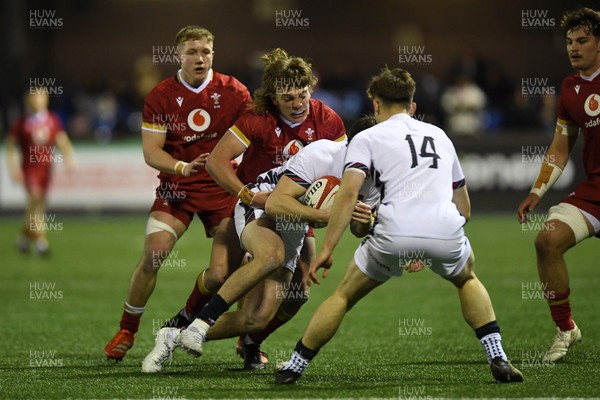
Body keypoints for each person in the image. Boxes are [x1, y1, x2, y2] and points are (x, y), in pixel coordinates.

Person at [275, 67, 523, 384]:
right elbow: (465, 208)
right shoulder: (440, 136)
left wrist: (326, 249)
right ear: (412, 106)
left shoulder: (366, 138)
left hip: (393, 232)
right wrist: (435, 237)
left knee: (343, 296)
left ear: (375, 105)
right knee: (467, 279)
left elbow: (349, 194)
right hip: (444, 227)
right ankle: (498, 357)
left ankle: (294, 367)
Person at [141, 48, 347, 372]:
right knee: (233, 269)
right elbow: (217, 161)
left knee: (291, 298)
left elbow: (340, 179)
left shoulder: (329, 121)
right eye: (288, 97)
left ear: (312, 89)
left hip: (295, 214)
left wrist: (329, 226)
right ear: (274, 97)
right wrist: (247, 195)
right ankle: (191, 323)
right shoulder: (257, 118)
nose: (297, 103)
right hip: (257, 208)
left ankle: (242, 340)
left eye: (302, 95)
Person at [104, 25, 252, 361]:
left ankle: (244, 338)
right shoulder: (161, 95)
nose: (199, 58)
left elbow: (252, 137)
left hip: (221, 188)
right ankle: (127, 329)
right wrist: (184, 167)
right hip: (177, 188)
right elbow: (151, 152)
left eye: (205, 52)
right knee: (155, 252)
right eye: (192, 52)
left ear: (213, 54)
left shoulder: (235, 92)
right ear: (178, 55)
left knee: (240, 266)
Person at [516, 7, 600, 363]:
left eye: (582, 40)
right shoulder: (570, 89)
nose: (574, 48)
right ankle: (566, 328)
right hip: (595, 189)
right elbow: (561, 146)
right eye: (569, 42)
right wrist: (537, 191)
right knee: (547, 240)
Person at [6, 88, 76, 256]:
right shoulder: (22, 122)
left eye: (41, 96)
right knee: (36, 200)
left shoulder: (52, 120)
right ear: (29, 100)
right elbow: (11, 146)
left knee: (37, 206)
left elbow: (62, 140)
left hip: (46, 170)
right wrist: (14, 168)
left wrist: (69, 158)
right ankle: (41, 242)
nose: (38, 100)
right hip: (30, 169)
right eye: (35, 97)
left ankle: (23, 238)